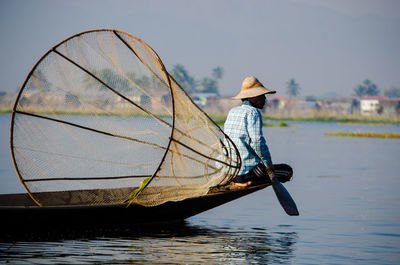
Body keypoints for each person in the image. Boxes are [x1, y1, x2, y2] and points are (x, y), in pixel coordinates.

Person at [224, 76, 293, 188]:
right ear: (253, 97)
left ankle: (240, 180)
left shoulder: (232, 111)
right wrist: (268, 166)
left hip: (230, 172)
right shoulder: (253, 112)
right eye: (262, 96)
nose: (265, 99)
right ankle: (247, 182)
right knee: (287, 171)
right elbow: (257, 142)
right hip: (247, 174)